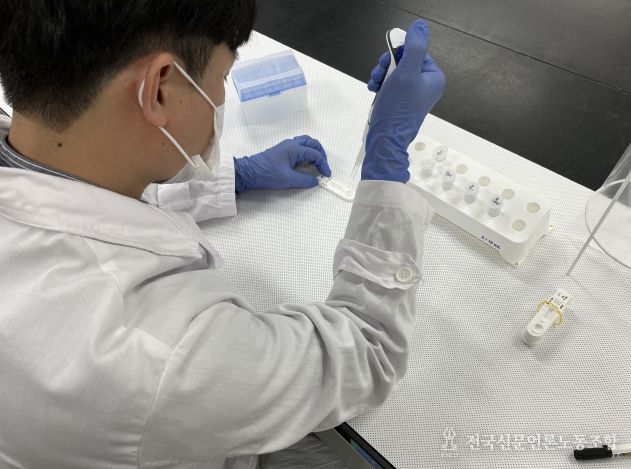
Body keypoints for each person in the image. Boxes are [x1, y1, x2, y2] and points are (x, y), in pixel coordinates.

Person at [0, 1, 445, 468]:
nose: (220, 96)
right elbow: (366, 352)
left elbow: (92, 193)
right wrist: (386, 158)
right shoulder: (158, 351)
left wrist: (237, 176)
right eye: (222, 77)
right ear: (159, 89)